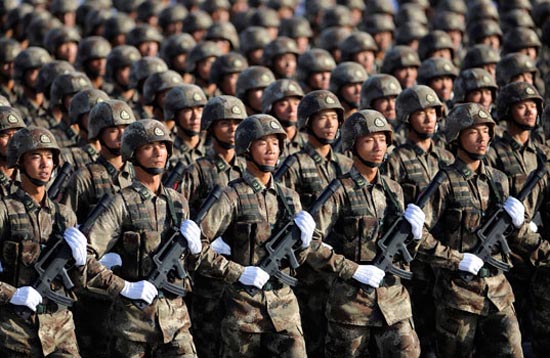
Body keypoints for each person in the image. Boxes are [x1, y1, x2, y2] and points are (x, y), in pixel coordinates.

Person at [305, 109, 424, 357]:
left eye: (382, 140)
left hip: (394, 303)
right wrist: (353, 269)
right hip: (350, 306)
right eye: (369, 140)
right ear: (352, 145)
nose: (378, 147)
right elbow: (309, 245)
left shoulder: (393, 190)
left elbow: (406, 252)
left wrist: (415, 236)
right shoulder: (338, 191)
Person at [199, 114, 315, 357]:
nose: (271, 150)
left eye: (275, 143)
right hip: (243, 309)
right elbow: (197, 248)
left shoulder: (289, 197)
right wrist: (238, 272)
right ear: (247, 149)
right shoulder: (230, 195)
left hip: (284, 307)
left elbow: (298, 260)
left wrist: (304, 244)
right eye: (263, 143)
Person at [83, 119, 202, 357]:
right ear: (132, 154)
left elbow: (189, 265)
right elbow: (83, 259)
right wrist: (124, 287)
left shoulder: (177, 202)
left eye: (163, 145)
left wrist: (196, 250)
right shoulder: (120, 203)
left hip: (176, 323)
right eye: (149, 147)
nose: (159, 152)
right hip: (132, 327)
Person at [421, 103, 524, 357]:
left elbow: (510, 235)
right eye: (473, 132)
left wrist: (518, 223)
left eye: (486, 131)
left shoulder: (499, 180)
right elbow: (417, 237)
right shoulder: (444, 182)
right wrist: (456, 260)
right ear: (457, 137)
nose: (483, 138)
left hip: (498, 292)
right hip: (458, 296)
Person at [0, 127, 87, 357]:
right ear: (19, 162)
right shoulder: (5, 210)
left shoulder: (64, 214)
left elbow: (80, 282)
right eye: (36, 156)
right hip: (15, 331)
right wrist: (11, 293)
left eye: (49, 157)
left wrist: (81, 262)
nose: (45, 164)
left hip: (61, 328)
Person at [278, 89, 352, 357]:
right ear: (308, 122)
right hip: (310, 270)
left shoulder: (347, 165)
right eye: (323, 118)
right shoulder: (294, 165)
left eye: (334, 117)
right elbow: (280, 216)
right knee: (314, 338)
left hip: (344, 266)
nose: (330, 124)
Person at [383, 84, 454, 356]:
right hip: (413, 261)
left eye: (433, 112)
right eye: (421, 113)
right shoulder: (396, 160)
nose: (429, 118)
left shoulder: (447, 158)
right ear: (406, 118)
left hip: (445, 259)